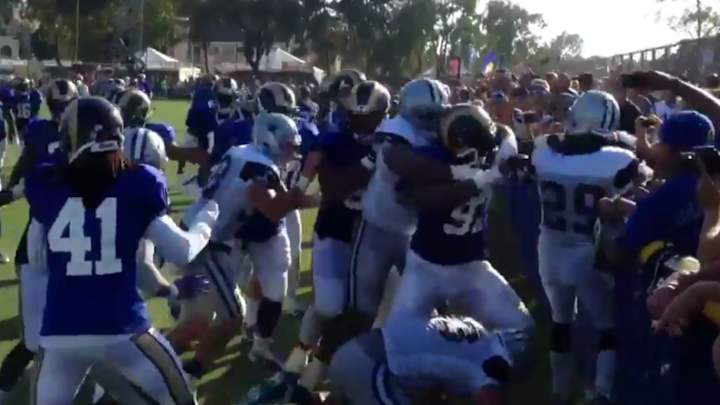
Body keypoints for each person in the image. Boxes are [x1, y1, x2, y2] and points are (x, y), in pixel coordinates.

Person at [27, 96, 218, 405]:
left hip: (60, 332)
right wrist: (208, 219)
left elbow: (36, 258)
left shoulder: (48, 181)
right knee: (180, 399)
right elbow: (182, 251)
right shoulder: (138, 182)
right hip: (122, 327)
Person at [533, 90, 642, 404]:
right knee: (607, 328)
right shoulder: (619, 159)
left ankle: (560, 389)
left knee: (560, 320)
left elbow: (552, 143)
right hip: (586, 253)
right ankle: (603, 391)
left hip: (549, 249)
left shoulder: (543, 153)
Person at [0, 78, 78, 405]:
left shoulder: (84, 135)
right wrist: (10, 191)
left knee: (84, 329)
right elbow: (26, 174)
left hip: (76, 243)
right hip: (45, 241)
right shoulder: (43, 135)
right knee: (35, 339)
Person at [327, 313, 531, 405]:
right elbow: (489, 397)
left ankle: (302, 397)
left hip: (356, 355)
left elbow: (433, 379)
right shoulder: (491, 364)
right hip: (372, 365)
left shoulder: (473, 328)